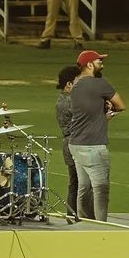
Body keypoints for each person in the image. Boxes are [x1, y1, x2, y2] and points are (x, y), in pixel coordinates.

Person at [69, 50, 125, 222]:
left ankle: (85, 223)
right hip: (93, 145)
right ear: (89, 64)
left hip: (76, 144)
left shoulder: (76, 85)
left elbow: (89, 111)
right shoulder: (99, 84)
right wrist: (111, 111)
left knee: (84, 187)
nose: (102, 64)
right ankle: (101, 226)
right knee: (101, 188)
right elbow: (121, 105)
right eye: (99, 61)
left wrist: (103, 114)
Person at [54, 64, 81, 218]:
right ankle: (75, 214)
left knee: (75, 182)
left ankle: (73, 214)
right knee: (77, 183)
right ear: (69, 84)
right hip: (74, 143)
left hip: (70, 143)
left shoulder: (64, 99)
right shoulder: (70, 101)